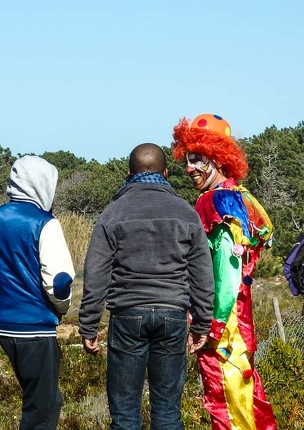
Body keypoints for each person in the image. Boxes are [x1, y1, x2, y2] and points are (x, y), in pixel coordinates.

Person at [78, 143, 214, 430]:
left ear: (129, 173)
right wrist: (202, 323)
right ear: (166, 173)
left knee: (125, 416)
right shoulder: (186, 213)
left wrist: (89, 325)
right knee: (167, 415)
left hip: (127, 315)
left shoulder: (112, 214)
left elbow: (96, 273)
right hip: (172, 314)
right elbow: (202, 274)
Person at [171, 114, 277, 430]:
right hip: (238, 320)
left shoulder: (217, 203)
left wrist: (212, 324)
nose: (189, 167)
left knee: (228, 404)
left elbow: (227, 273)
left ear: (218, 158)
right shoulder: (242, 198)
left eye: (197, 159)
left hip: (225, 324)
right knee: (245, 400)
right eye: (187, 159)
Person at [0, 155, 75, 430]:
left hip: (2, 325)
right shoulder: (45, 222)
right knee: (43, 407)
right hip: (35, 327)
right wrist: (61, 308)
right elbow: (59, 281)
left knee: (42, 399)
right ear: (44, 184)